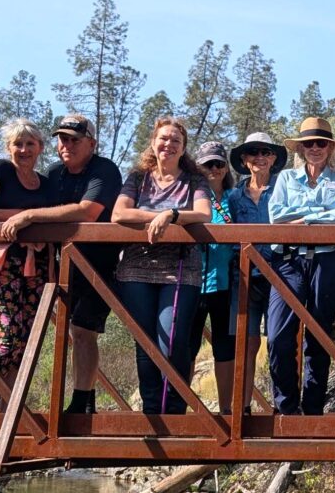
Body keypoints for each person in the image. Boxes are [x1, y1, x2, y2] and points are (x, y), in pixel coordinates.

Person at [0, 114, 123, 415]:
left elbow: (88, 212)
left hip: (101, 265)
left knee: (83, 331)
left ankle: (83, 401)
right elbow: (27, 202)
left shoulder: (104, 170)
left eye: (74, 140)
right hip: (59, 265)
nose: (66, 144)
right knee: (56, 332)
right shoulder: (54, 174)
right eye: (62, 139)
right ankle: (9, 407)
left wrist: (31, 217)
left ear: (91, 144)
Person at [111, 118, 212, 414]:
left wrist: (171, 214)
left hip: (180, 269)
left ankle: (175, 411)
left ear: (183, 149)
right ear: (153, 143)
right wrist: (153, 217)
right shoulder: (138, 178)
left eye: (175, 141)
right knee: (145, 344)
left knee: (172, 340)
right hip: (135, 269)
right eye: (163, 139)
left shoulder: (195, 180)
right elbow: (119, 213)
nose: (168, 145)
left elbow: (204, 213)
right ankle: (153, 412)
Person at [267, 117, 335, 415]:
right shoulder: (284, 179)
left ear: (330, 148)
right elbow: (277, 217)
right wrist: (322, 215)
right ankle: (286, 408)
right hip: (289, 260)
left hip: (327, 260)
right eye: (309, 143)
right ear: (302, 148)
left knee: (319, 336)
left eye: (321, 143)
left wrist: (305, 219)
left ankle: (313, 409)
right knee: (279, 335)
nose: (315, 148)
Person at [0, 119, 55, 412]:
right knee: (7, 338)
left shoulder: (45, 183)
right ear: (9, 148)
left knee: (25, 340)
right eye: (18, 144)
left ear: (40, 148)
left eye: (30, 144)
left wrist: (34, 217)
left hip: (37, 266)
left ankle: (10, 411)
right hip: (4, 266)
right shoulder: (0, 171)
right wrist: (24, 213)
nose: (24, 149)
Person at [226, 131, 287, 412]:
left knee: (279, 340)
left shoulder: (286, 189)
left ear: (274, 158)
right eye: (253, 153)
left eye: (266, 152)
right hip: (244, 277)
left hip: (280, 274)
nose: (260, 157)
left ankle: (282, 405)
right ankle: (242, 407)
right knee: (245, 342)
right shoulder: (232, 197)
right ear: (244, 159)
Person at [188, 141, 239, 414]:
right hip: (193, 282)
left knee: (225, 346)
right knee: (188, 346)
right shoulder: (190, 197)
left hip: (226, 283)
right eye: (208, 164)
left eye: (220, 163)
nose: (215, 169)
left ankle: (226, 409)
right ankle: (181, 408)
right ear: (199, 167)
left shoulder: (235, 198)